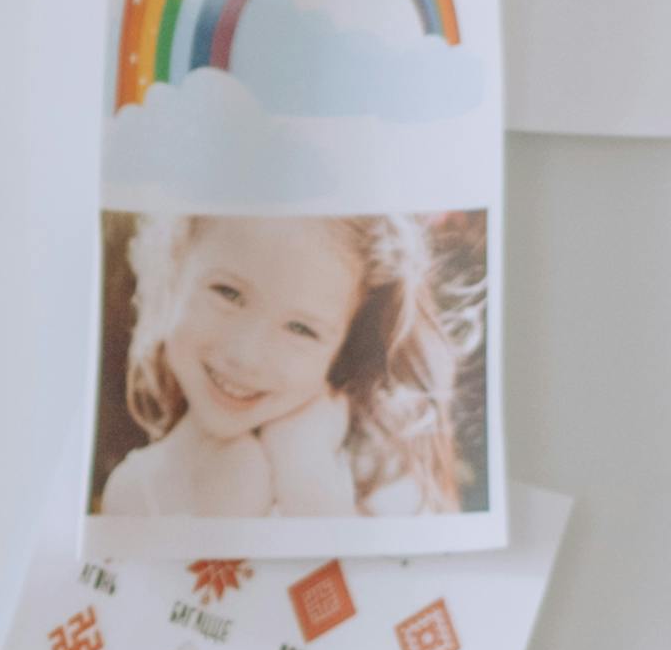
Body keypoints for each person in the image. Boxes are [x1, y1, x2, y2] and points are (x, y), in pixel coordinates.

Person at [99, 209, 467, 523]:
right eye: (228, 293)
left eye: (301, 329)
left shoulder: (385, 474)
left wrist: (306, 478)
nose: (246, 355)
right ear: (173, 270)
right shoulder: (137, 491)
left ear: (343, 348)